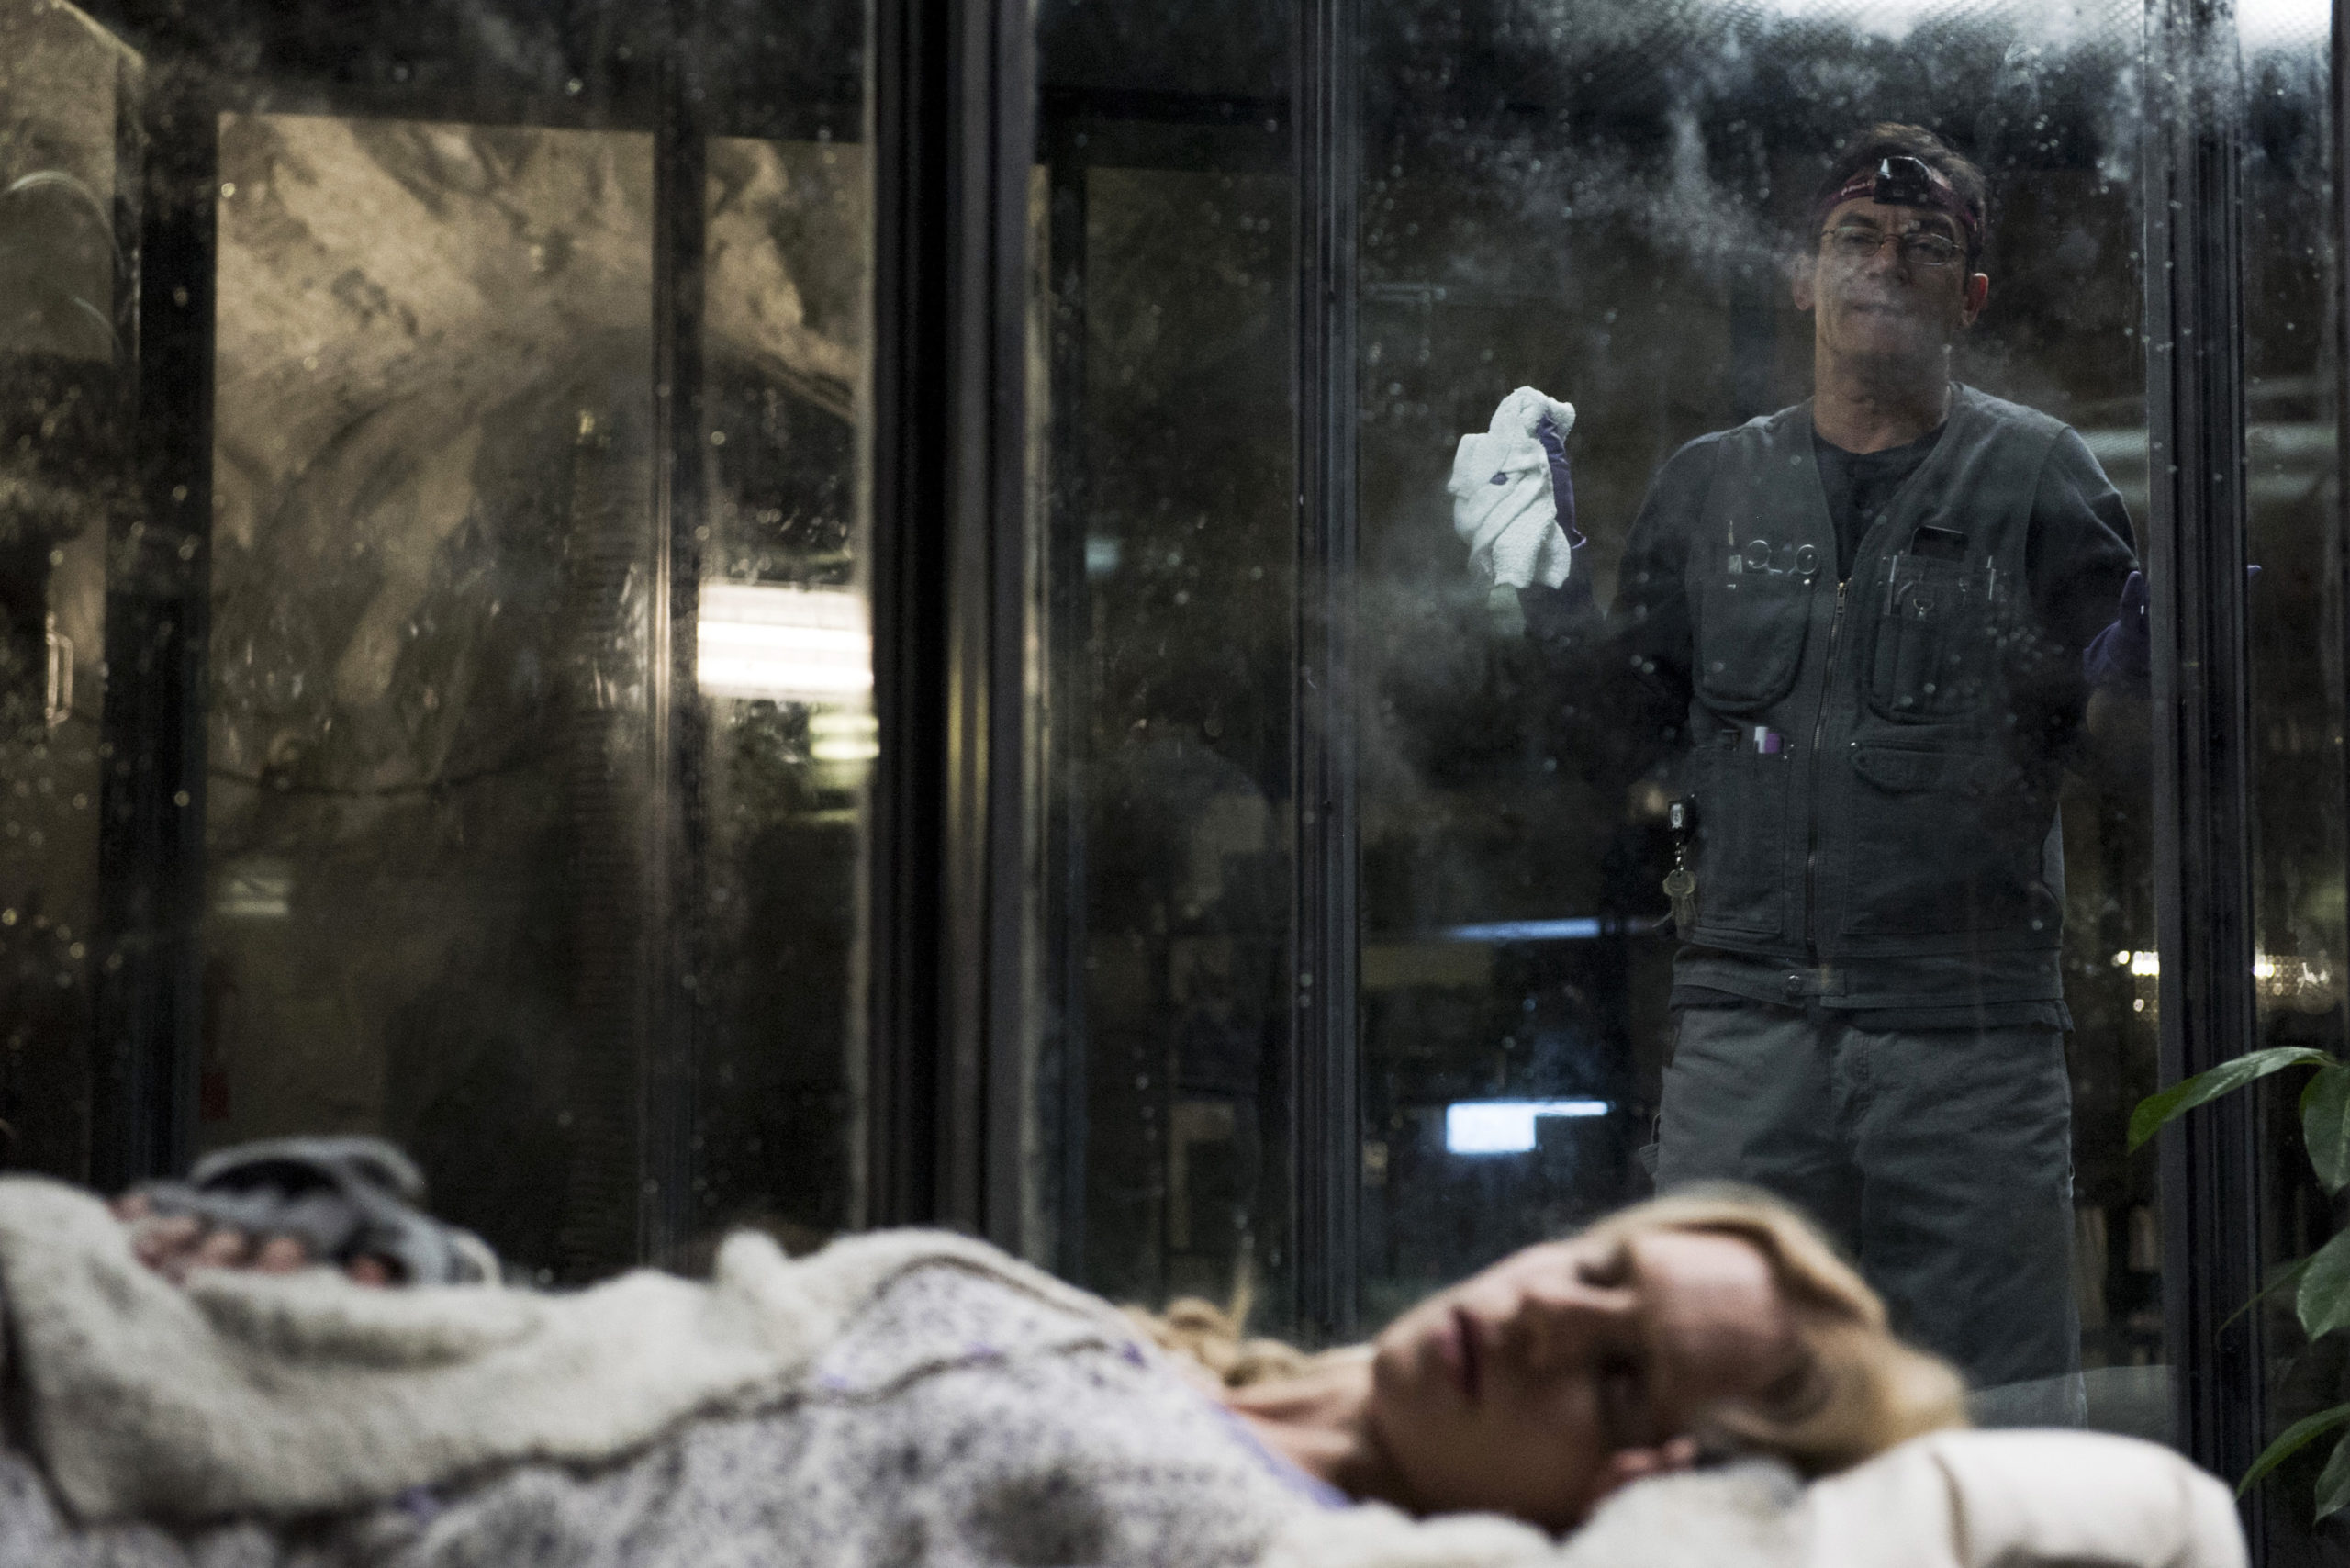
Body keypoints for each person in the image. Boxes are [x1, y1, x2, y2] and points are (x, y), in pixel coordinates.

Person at [0, 1139, 2235, 1568]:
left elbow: (2121, 1514)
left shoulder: (1313, 1544)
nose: (1543, 1312)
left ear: (1652, 1485)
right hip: (283, 1388)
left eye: (1620, 1371)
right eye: (1593, 1265)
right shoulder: (1148, 1354)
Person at [1504, 124, 2141, 1414]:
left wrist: (2154, 675)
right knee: (1712, 1414)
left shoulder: (2040, 478)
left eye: (1926, 245)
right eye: (1856, 237)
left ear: (1970, 296)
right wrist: (1545, 587)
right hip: (1747, 1031)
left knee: (1992, 1423)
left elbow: (2123, 752)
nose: (1885, 264)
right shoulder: (1709, 488)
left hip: (1965, 1041)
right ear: (1801, 277)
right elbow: (1620, 738)